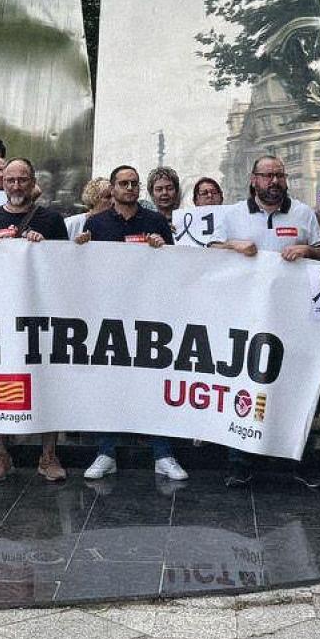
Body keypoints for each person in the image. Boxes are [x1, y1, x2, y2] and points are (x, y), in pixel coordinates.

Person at [210, 155, 320, 487]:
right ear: (253, 179)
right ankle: (239, 461)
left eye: (279, 175)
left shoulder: (302, 213)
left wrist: (307, 250)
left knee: (296, 386)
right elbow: (210, 252)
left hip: (294, 318)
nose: (274, 181)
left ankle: (300, 459)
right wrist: (232, 244)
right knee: (244, 384)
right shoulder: (231, 214)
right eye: (267, 176)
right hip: (245, 316)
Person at [75, 165, 186, 481]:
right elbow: (83, 271)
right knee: (109, 385)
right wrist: (80, 250)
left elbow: (173, 267)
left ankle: (163, 454)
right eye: (124, 183)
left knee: (153, 383)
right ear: (112, 188)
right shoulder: (95, 223)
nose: (130, 188)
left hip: (149, 315)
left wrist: (160, 248)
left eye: (134, 183)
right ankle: (106, 452)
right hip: (108, 315)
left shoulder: (155, 222)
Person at [0, 159, 71, 482]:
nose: (16, 186)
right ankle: (1, 453)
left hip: (41, 313)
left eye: (22, 180)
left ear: (33, 182)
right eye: (11, 180)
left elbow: (64, 266)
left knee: (48, 381)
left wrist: (46, 250)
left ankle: (48, 454)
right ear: (2, 182)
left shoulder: (53, 220)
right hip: (0, 314)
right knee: (0, 381)